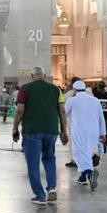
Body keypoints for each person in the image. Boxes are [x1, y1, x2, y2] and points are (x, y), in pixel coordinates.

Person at [12, 67, 68, 205]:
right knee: (49, 158)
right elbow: (62, 111)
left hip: (32, 130)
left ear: (32, 75)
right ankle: (52, 188)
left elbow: (20, 110)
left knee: (33, 164)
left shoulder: (24, 89)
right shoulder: (56, 90)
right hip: (52, 130)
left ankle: (40, 195)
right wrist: (64, 130)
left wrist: (15, 128)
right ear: (44, 75)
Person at [65, 80, 106, 190]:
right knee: (87, 154)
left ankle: (89, 173)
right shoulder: (95, 100)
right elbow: (101, 118)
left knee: (78, 153)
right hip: (94, 131)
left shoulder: (72, 100)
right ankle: (83, 178)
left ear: (74, 89)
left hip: (79, 131)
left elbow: (64, 113)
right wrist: (103, 133)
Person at [93, 81, 107, 153]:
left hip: (98, 117)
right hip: (106, 117)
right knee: (105, 132)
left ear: (99, 87)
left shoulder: (96, 95)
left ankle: (99, 147)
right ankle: (104, 147)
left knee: (98, 132)